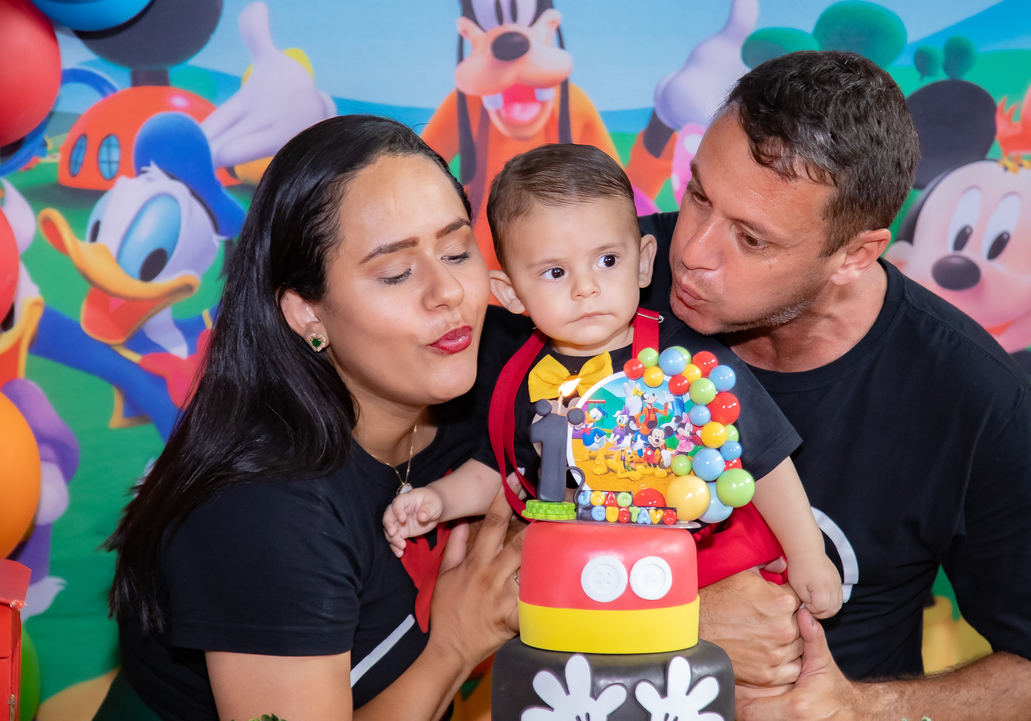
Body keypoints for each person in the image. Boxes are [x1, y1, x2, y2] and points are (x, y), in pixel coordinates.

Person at [637, 51, 1031, 720]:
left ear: (855, 255)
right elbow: (470, 559)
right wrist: (663, 617)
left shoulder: (967, 393)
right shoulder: (594, 287)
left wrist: (858, 709)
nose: (692, 250)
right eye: (698, 195)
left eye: (750, 239)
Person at [97, 115, 525, 721]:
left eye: (457, 250)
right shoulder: (261, 511)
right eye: (396, 272)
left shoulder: (500, 363)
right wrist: (452, 647)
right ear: (306, 313)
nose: (448, 291)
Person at [382, 143, 844, 619]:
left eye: (606, 261)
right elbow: (497, 472)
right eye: (556, 272)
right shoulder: (522, 379)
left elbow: (765, 458)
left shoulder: (685, 363)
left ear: (643, 262)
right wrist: (439, 500)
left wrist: (807, 552)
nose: (586, 288)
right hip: (585, 574)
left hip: (697, 559)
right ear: (513, 294)